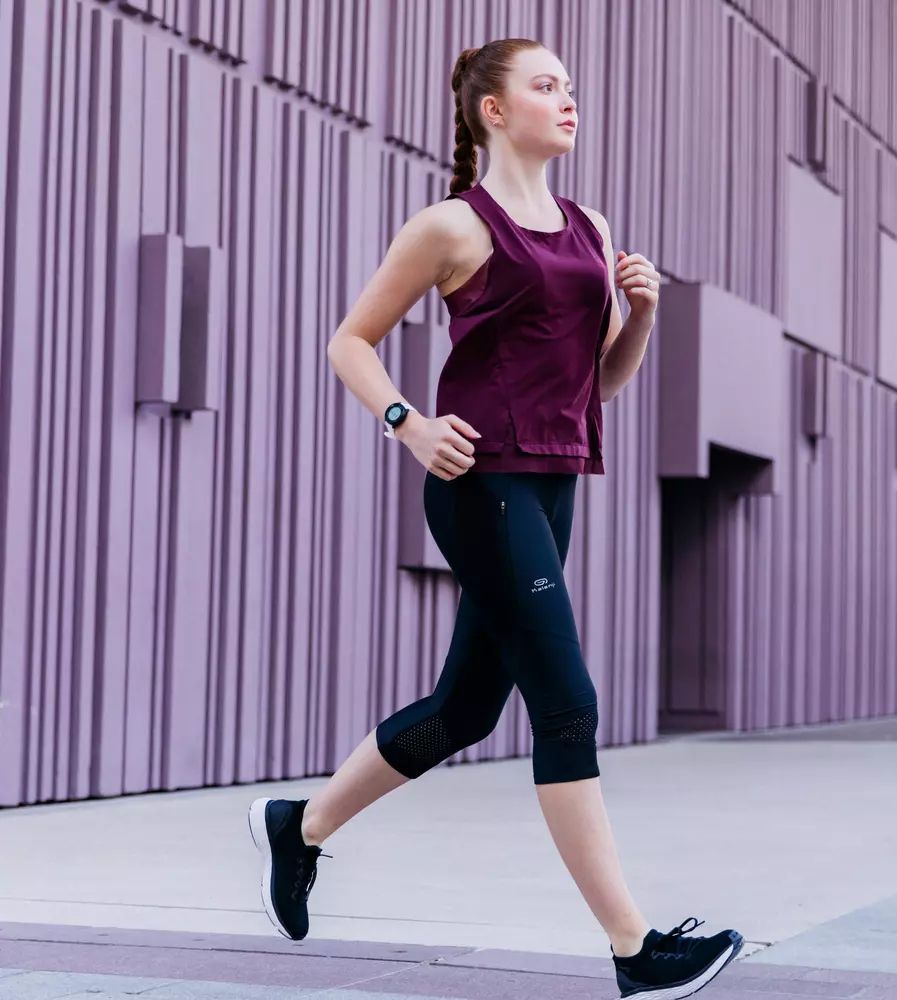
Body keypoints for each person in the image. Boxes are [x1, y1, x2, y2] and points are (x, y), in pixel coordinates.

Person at [247, 37, 743, 999]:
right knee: (566, 703)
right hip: (480, 484)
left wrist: (640, 316)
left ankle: (297, 827)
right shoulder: (449, 227)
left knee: (466, 710)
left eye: (570, 88)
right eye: (546, 86)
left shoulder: (590, 226)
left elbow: (599, 382)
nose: (569, 101)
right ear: (492, 110)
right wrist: (408, 423)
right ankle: (635, 948)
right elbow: (350, 341)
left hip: (555, 482)